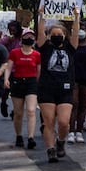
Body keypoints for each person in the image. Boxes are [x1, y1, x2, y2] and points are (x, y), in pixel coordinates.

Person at [35, 23, 79, 163]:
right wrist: (41, 16)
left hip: (65, 90)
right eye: (53, 35)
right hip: (46, 89)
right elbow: (40, 33)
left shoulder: (70, 49)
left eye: (59, 35)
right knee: (48, 121)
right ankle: (51, 149)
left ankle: (60, 141)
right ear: (49, 36)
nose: (57, 37)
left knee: (63, 121)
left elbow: (76, 33)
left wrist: (76, 17)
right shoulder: (45, 48)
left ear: (65, 36)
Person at [8, 29, 41, 149]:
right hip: (17, 81)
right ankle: (19, 135)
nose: (29, 38)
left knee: (31, 110)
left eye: (31, 36)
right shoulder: (15, 52)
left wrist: (37, 84)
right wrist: (6, 79)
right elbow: (9, 67)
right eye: (27, 36)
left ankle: (31, 136)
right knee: (18, 112)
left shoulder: (37, 55)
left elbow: (38, 71)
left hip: (31, 82)